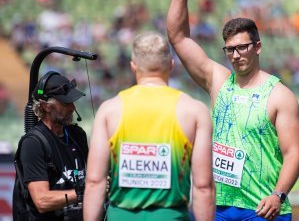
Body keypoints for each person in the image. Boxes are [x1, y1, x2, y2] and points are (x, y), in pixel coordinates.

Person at [166, 0, 299, 221]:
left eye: (242, 47)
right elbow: (178, 38)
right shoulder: (219, 81)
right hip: (216, 207)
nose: (235, 55)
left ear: (258, 47)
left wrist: (279, 195)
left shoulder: (279, 95)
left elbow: (293, 153)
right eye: (230, 49)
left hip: (263, 209)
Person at [83, 32, 215, 221]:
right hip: (171, 215)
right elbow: (203, 187)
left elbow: (95, 182)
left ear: (133, 67)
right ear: (171, 65)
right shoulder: (194, 111)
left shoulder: (110, 110)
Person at [13, 71, 88, 220]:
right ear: (46, 106)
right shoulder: (33, 143)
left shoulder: (78, 135)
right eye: (66, 103)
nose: (73, 107)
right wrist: (85, 192)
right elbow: (42, 201)